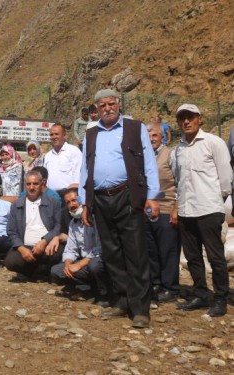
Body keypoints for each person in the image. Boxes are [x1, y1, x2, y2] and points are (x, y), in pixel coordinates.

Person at [79, 89, 161, 329]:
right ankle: (122, 300)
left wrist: (153, 196)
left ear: (119, 104)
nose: (107, 108)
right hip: (101, 199)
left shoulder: (135, 128)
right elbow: (85, 169)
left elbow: (149, 163)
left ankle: (140, 309)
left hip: (127, 196)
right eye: (102, 105)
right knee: (112, 253)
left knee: (135, 252)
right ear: (96, 109)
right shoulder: (91, 133)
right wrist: (86, 202)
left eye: (111, 103)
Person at [171, 104, 232, 317]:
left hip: (208, 208)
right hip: (187, 210)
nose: (186, 122)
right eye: (182, 118)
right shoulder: (178, 149)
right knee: (192, 256)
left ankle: (220, 298)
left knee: (215, 257)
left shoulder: (214, 143)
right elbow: (178, 181)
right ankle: (200, 293)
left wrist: (217, 201)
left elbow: (226, 178)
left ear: (200, 119)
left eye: (190, 117)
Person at [50, 188, 108, 306]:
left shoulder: (95, 219)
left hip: (97, 260)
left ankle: (103, 295)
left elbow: (100, 248)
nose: (72, 204)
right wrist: (68, 264)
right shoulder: (73, 223)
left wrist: (79, 265)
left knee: (94, 265)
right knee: (56, 271)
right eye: (68, 202)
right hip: (83, 262)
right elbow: (71, 248)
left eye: (74, 200)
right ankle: (87, 287)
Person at [145, 122, 180, 303]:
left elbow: (180, 183)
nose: (151, 139)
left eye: (155, 136)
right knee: (152, 250)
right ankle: (156, 282)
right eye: (148, 136)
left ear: (162, 137)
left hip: (166, 208)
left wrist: (176, 208)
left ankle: (171, 287)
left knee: (168, 250)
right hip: (148, 210)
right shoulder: (144, 156)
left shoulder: (171, 155)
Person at [4, 170, 62, 279]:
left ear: (42, 184)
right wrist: (21, 248)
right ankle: (38, 272)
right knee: (10, 261)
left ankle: (39, 272)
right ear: (25, 185)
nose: (31, 187)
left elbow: (58, 226)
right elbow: (11, 230)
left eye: (35, 184)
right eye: (28, 184)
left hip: (46, 246)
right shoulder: (16, 205)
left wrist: (44, 241)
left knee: (57, 253)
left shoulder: (53, 202)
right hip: (26, 246)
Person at [44, 123, 82, 196]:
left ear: (64, 136)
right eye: (51, 135)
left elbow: (78, 174)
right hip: (50, 196)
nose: (54, 137)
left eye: (56, 134)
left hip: (68, 196)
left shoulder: (74, 151)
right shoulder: (48, 156)